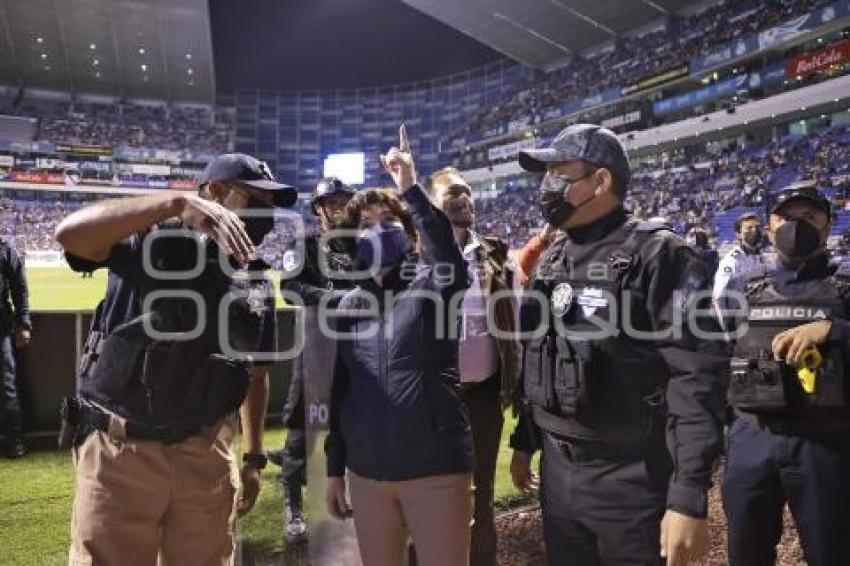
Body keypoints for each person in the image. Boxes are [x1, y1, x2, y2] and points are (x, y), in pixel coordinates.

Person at [54, 153, 295, 565]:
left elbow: (255, 374)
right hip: (120, 452)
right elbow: (70, 235)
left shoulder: (254, 280)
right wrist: (171, 204)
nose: (266, 216)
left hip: (206, 454)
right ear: (216, 192)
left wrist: (254, 457)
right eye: (257, 201)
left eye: (271, 206)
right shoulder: (150, 239)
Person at [509, 124, 728, 566]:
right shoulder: (553, 255)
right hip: (557, 470)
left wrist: (687, 496)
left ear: (601, 181)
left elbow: (697, 377)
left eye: (558, 173)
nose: (546, 186)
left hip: (631, 478)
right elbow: (542, 351)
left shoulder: (660, 254)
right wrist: (525, 440)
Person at [325, 126, 473, 566]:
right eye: (365, 225)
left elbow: (447, 254)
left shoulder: (435, 283)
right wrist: (335, 467)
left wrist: (409, 189)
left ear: (410, 235)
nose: (376, 231)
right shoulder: (347, 306)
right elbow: (340, 392)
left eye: (388, 222)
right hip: (367, 474)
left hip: (436, 470)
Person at [720, 184, 850, 566]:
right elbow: (720, 352)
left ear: (828, 225)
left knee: (832, 552)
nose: (797, 225)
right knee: (745, 552)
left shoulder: (845, 282)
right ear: (770, 225)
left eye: (809, 217)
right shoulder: (745, 284)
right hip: (751, 433)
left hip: (825, 440)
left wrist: (833, 330)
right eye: (787, 217)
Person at [428, 166, 520, 566]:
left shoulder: (495, 252)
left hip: (483, 395)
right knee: (428, 493)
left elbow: (514, 318)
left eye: (468, 192)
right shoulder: (417, 252)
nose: (464, 198)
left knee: (482, 492)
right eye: (451, 194)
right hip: (431, 397)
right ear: (432, 203)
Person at [268, 176, 357, 543]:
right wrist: (334, 296)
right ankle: (293, 507)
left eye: (343, 201)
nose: (338, 207)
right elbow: (289, 288)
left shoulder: (360, 249)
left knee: (351, 428)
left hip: (355, 354)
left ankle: (348, 500)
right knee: (302, 429)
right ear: (318, 209)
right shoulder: (304, 245)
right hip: (316, 354)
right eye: (331, 202)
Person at [0, 238, 31, 458]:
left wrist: (23, 323)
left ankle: (15, 440)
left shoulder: (5, 249)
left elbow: (20, 289)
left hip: (0, 327)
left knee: (6, 386)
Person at [712, 212, 767, 303]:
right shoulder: (731, 260)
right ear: (739, 234)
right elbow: (719, 295)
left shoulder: (763, 256)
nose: (754, 230)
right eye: (749, 228)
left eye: (757, 227)